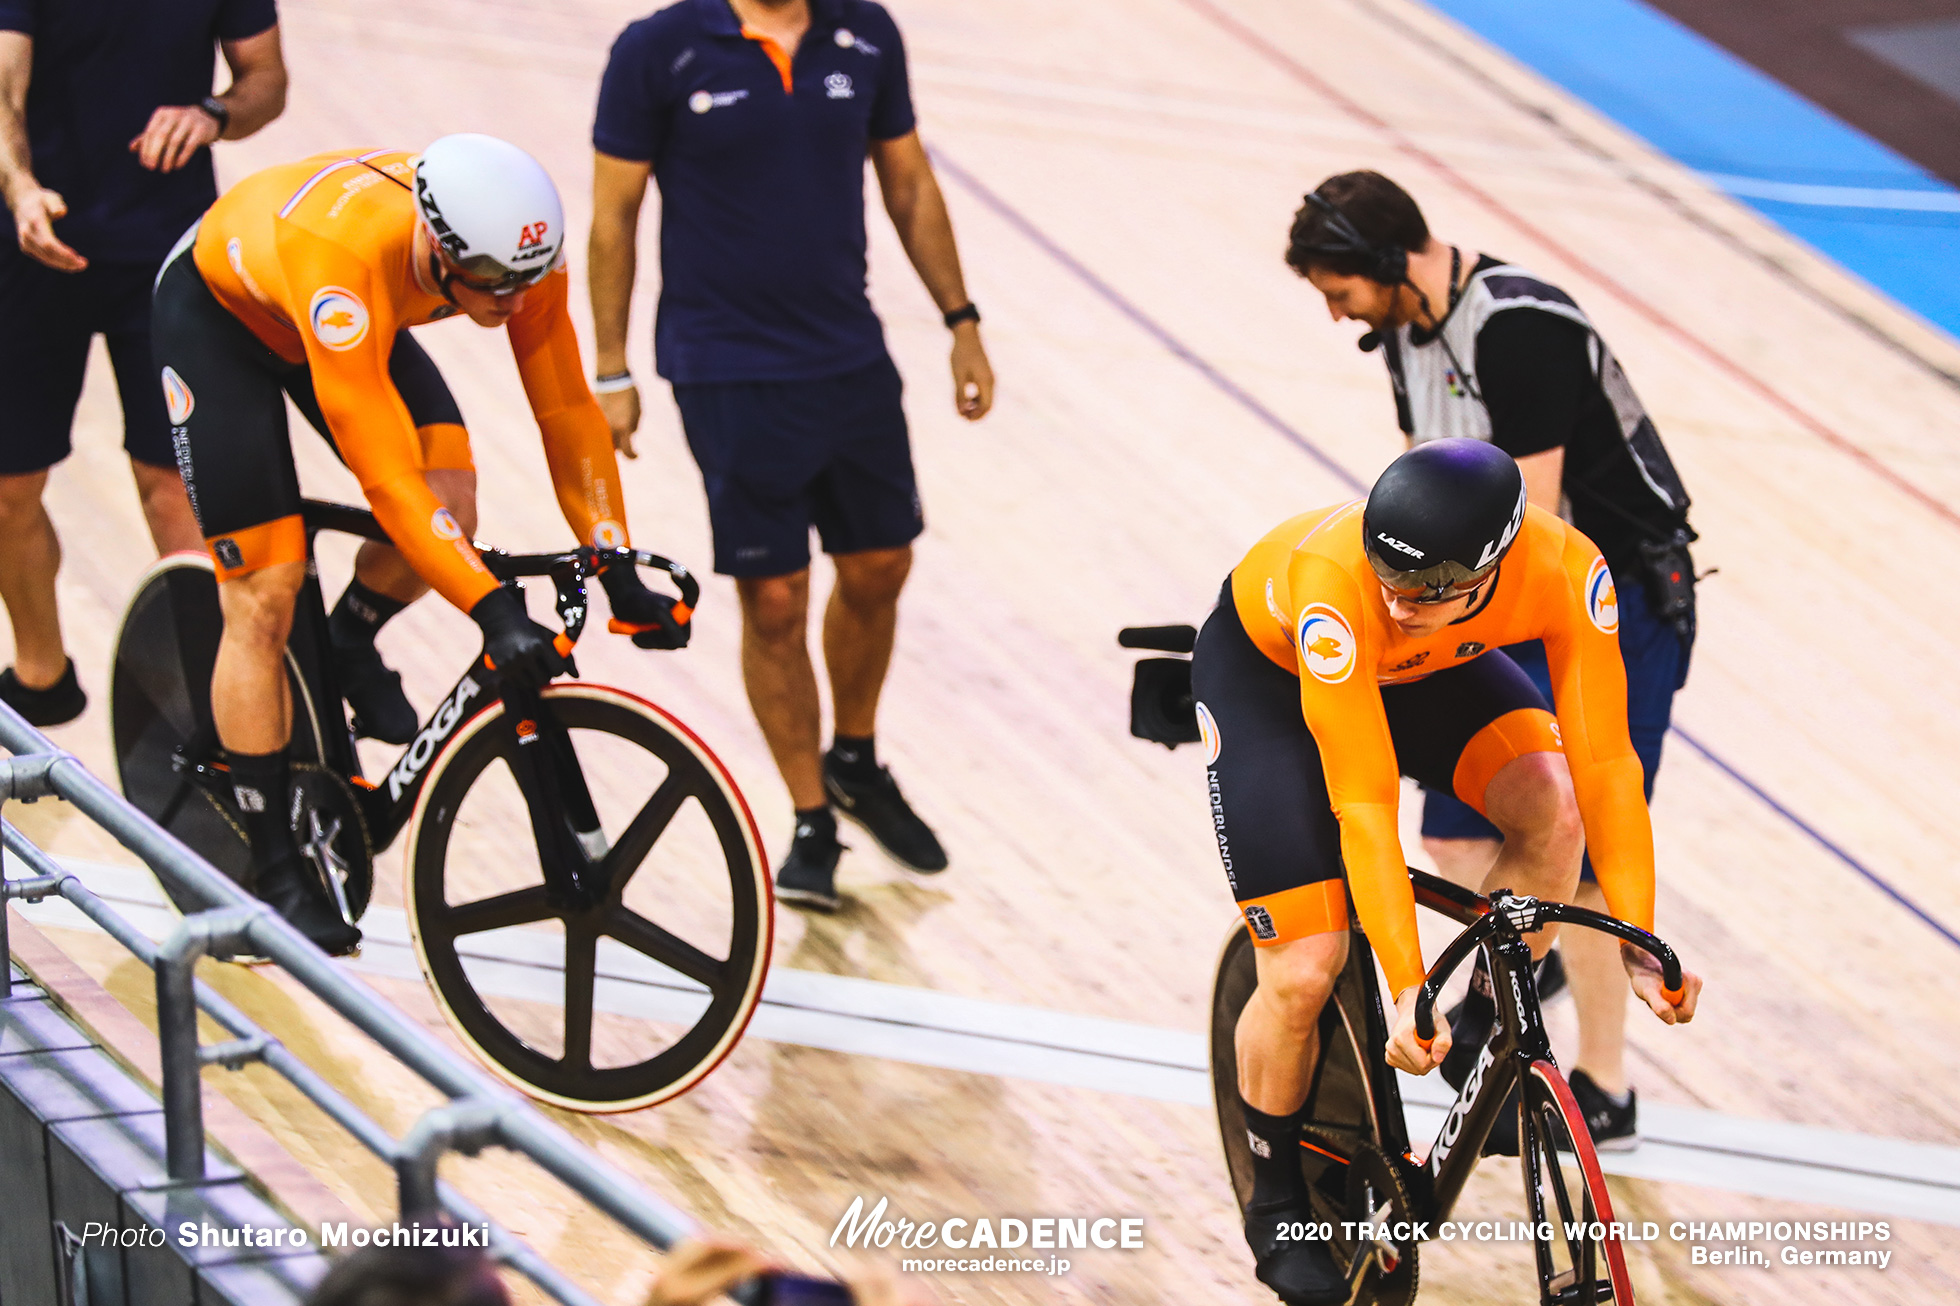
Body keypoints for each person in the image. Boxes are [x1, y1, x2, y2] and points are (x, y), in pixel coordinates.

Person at [1192, 439, 1701, 1305]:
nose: (1399, 603)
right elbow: (1364, 805)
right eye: (1389, 582)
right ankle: (1276, 1198)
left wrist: (1639, 934)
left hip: (1426, 677)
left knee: (1555, 808)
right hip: (1276, 688)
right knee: (1306, 967)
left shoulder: (1567, 570)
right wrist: (1402, 983)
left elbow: (1608, 762)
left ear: (1495, 563)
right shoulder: (1339, 588)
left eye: (1425, 591)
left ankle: (1480, 1035)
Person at [151, 136, 689, 954]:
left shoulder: (514, 256)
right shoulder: (348, 265)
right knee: (266, 589)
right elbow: (385, 478)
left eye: (524, 283)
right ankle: (272, 870)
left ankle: (347, 638)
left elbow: (566, 408)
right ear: (439, 247)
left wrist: (611, 558)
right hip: (224, 322)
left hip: (340, 315)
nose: (512, 304)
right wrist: (491, 609)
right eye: (492, 287)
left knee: (455, 506)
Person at [1283, 170, 1699, 1149]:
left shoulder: (1517, 330)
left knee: (1582, 836)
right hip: (1482, 595)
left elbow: (1534, 526)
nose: (1338, 313)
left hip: (1609, 597)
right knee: (1462, 837)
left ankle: (1604, 1084)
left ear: (1386, 265)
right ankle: (1522, 963)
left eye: (1339, 292)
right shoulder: (1403, 333)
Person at [588, 0, 995, 911]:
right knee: (775, 598)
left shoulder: (866, 33)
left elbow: (909, 184)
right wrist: (610, 369)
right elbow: (613, 215)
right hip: (724, 367)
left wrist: (960, 321)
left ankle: (853, 757)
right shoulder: (659, 49)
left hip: (847, 357)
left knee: (881, 565)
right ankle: (812, 815)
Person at [0, 0, 286, 725]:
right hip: (36, 243)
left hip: (169, 254)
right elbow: (4, 85)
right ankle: (42, 678)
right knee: (8, 490)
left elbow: (266, 79)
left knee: (174, 486)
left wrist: (215, 113)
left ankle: (215, 711)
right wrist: (21, 188)